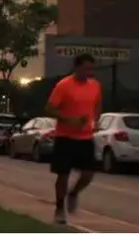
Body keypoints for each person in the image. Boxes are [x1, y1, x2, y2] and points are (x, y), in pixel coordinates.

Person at [46, 53, 102, 225]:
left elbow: (97, 104)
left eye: (92, 69)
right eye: (86, 68)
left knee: (88, 174)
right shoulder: (64, 85)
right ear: (76, 68)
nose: (90, 72)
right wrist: (69, 120)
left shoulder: (95, 85)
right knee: (63, 175)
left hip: (85, 137)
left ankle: (74, 193)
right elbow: (49, 108)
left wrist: (96, 120)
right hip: (65, 137)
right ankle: (59, 208)